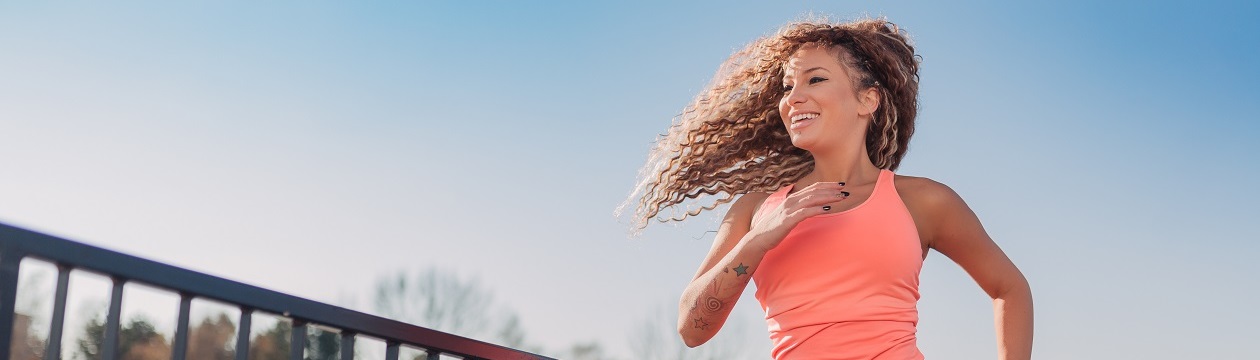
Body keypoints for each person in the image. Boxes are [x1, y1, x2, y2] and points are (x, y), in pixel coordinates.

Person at [618, 17, 1034, 359]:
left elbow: (1009, 288)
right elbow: (692, 330)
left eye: (814, 80)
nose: (792, 98)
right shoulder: (756, 209)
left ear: (867, 101)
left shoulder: (922, 200)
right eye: (787, 87)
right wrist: (759, 239)